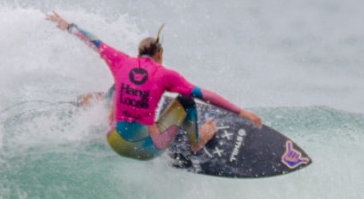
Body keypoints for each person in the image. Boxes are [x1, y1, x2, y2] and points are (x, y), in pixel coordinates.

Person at [46, 11, 262, 161]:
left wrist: (69, 26)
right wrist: (241, 112)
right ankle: (197, 142)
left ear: (139, 53)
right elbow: (204, 94)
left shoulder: (120, 61)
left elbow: (94, 41)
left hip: (113, 140)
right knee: (187, 100)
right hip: (144, 149)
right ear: (159, 54)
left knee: (117, 87)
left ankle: (91, 105)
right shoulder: (166, 74)